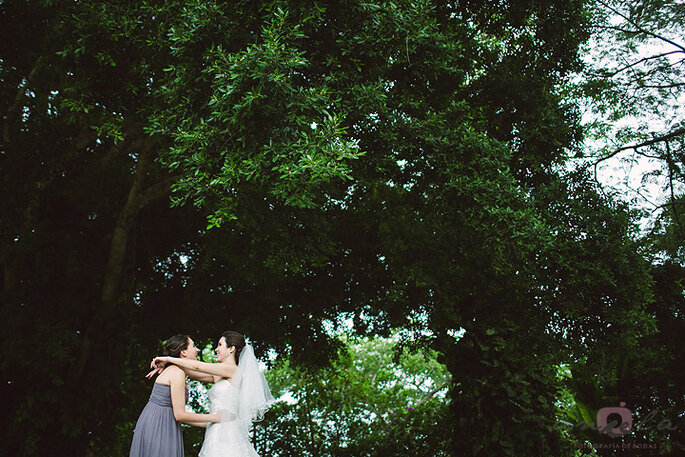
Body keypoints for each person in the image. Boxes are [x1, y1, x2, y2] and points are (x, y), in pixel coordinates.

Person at [150, 331, 274, 457]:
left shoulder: (232, 369)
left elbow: (197, 366)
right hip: (214, 430)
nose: (216, 349)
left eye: (220, 345)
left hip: (228, 432)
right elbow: (189, 371)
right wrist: (167, 367)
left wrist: (168, 359)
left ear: (231, 349)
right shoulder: (218, 374)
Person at [130, 335, 221, 457]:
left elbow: (214, 377)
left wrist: (214, 423)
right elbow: (180, 415)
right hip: (159, 425)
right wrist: (214, 417)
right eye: (193, 346)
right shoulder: (177, 373)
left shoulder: (181, 371)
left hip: (163, 421)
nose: (197, 350)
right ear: (183, 352)